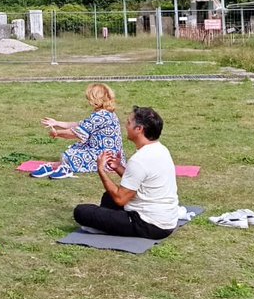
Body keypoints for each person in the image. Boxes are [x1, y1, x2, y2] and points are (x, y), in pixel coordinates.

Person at [72, 106, 179, 239]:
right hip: (166, 220)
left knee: (81, 212)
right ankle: (109, 224)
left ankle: (107, 228)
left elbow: (120, 199)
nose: (126, 126)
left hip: (150, 225)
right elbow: (140, 181)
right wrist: (118, 167)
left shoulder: (139, 160)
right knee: (108, 198)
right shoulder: (161, 149)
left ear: (139, 129)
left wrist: (101, 170)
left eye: (129, 123)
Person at [31, 82, 123, 179]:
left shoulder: (100, 116)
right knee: (73, 151)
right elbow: (79, 124)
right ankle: (61, 165)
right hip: (111, 155)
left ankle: (65, 168)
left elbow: (75, 133)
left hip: (106, 158)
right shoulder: (107, 113)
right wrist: (57, 123)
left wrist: (57, 133)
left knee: (69, 155)